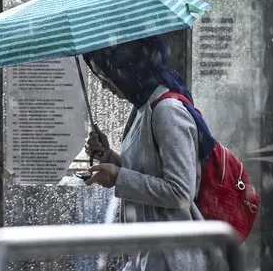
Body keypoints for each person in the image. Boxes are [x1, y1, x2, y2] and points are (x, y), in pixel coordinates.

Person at [82, 35, 219, 271]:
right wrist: (109, 157)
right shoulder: (142, 108)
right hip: (145, 254)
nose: (105, 85)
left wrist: (117, 177)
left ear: (128, 70)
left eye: (107, 76)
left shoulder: (167, 110)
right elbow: (147, 170)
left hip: (171, 259)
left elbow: (180, 192)